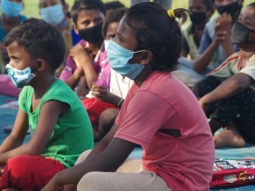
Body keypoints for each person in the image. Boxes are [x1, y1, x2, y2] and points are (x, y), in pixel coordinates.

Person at [42, 3, 214, 191]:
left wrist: (58, 180)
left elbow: (111, 159)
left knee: (89, 182)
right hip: (159, 170)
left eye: (121, 40)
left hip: (180, 183)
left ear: (144, 57)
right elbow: (107, 142)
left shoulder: (152, 93)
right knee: (85, 159)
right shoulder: (144, 82)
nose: (113, 43)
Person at [0, 18, 94, 191]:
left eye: (15, 59)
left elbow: (34, 148)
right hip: (44, 161)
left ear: (39, 65)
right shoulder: (28, 90)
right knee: (9, 167)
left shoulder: (54, 98)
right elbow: (16, 137)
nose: (9, 66)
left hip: (67, 168)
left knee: (17, 167)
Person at [193, 2, 255, 148]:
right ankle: (232, 132)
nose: (238, 25)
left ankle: (203, 135)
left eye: (247, 22)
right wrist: (193, 102)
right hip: (245, 124)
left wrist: (205, 101)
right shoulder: (236, 58)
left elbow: (238, 83)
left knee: (239, 91)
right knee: (209, 84)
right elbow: (204, 83)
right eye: (240, 19)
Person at [89, 7, 130, 141]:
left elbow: (143, 109)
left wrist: (113, 99)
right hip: (117, 115)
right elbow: (94, 96)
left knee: (109, 116)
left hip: (135, 118)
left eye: (121, 37)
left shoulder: (141, 68)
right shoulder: (110, 67)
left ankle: (99, 136)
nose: (115, 42)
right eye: (111, 37)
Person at [59, 0, 110, 97]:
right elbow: (60, 91)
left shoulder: (110, 49)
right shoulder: (78, 50)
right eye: (86, 22)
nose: (93, 25)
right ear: (76, 28)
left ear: (106, 20)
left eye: (98, 20)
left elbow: (98, 91)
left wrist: (85, 61)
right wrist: (78, 73)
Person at [192, 0, 244, 77]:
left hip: (239, 78)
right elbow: (197, 68)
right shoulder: (210, 26)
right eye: (220, 0)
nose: (225, 4)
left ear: (241, 1)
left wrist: (225, 36)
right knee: (181, 63)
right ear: (214, 4)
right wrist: (215, 43)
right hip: (217, 74)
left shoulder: (247, 26)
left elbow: (235, 71)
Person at [172, 0, 215, 88]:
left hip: (213, 73)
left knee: (172, 73)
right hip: (196, 70)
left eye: (199, 8)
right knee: (171, 63)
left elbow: (198, 67)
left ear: (211, 11)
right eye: (191, 8)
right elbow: (181, 57)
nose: (194, 12)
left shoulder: (215, 30)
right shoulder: (187, 32)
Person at [0, 0, 27, 97]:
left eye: (17, 0)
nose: (13, 2)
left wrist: (18, 52)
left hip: (21, 76)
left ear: (22, 4)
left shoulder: (28, 27)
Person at [39, 0, 73, 77]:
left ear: (65, 8)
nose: (49, 8)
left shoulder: (75, 28)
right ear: (40, 11)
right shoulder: (37, 34)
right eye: (44, 6)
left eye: (53, 4)